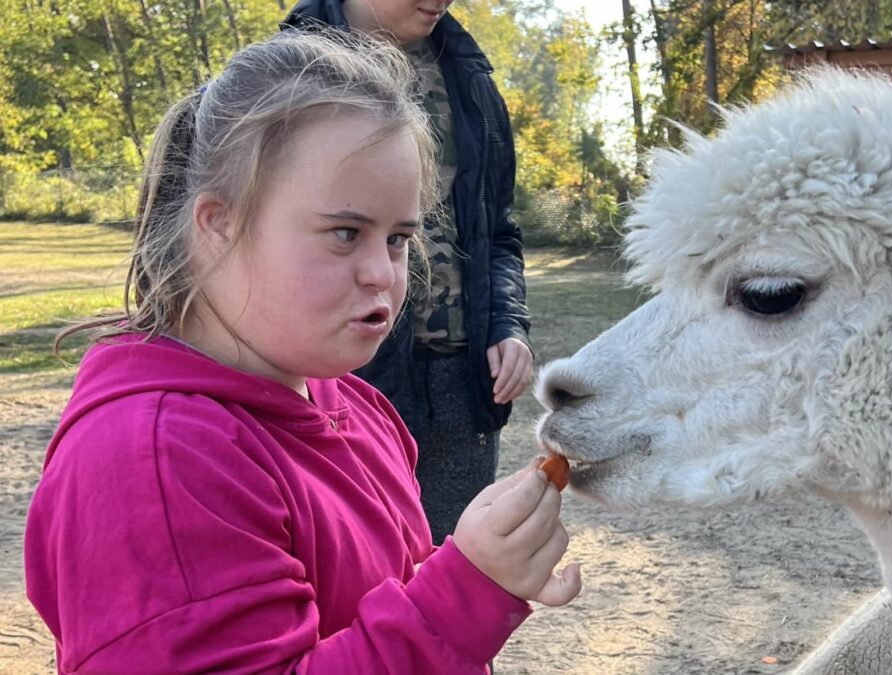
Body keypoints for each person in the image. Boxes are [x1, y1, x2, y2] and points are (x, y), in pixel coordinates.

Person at [24, 31, 579, 673]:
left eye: (399, 238)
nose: (384, 273)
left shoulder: (354, 404)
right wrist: (464, 594)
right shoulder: (155, 460)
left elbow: (366, 600)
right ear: (218, 224)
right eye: (345, 233)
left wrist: (469, 566)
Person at [282, 0, 534, 544]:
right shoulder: (286, 73)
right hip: (336, 385)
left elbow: (500, 231)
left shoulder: (470, 78)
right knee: (352, 584)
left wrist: (508, 325)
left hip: (463, 386)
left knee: (454, 575)